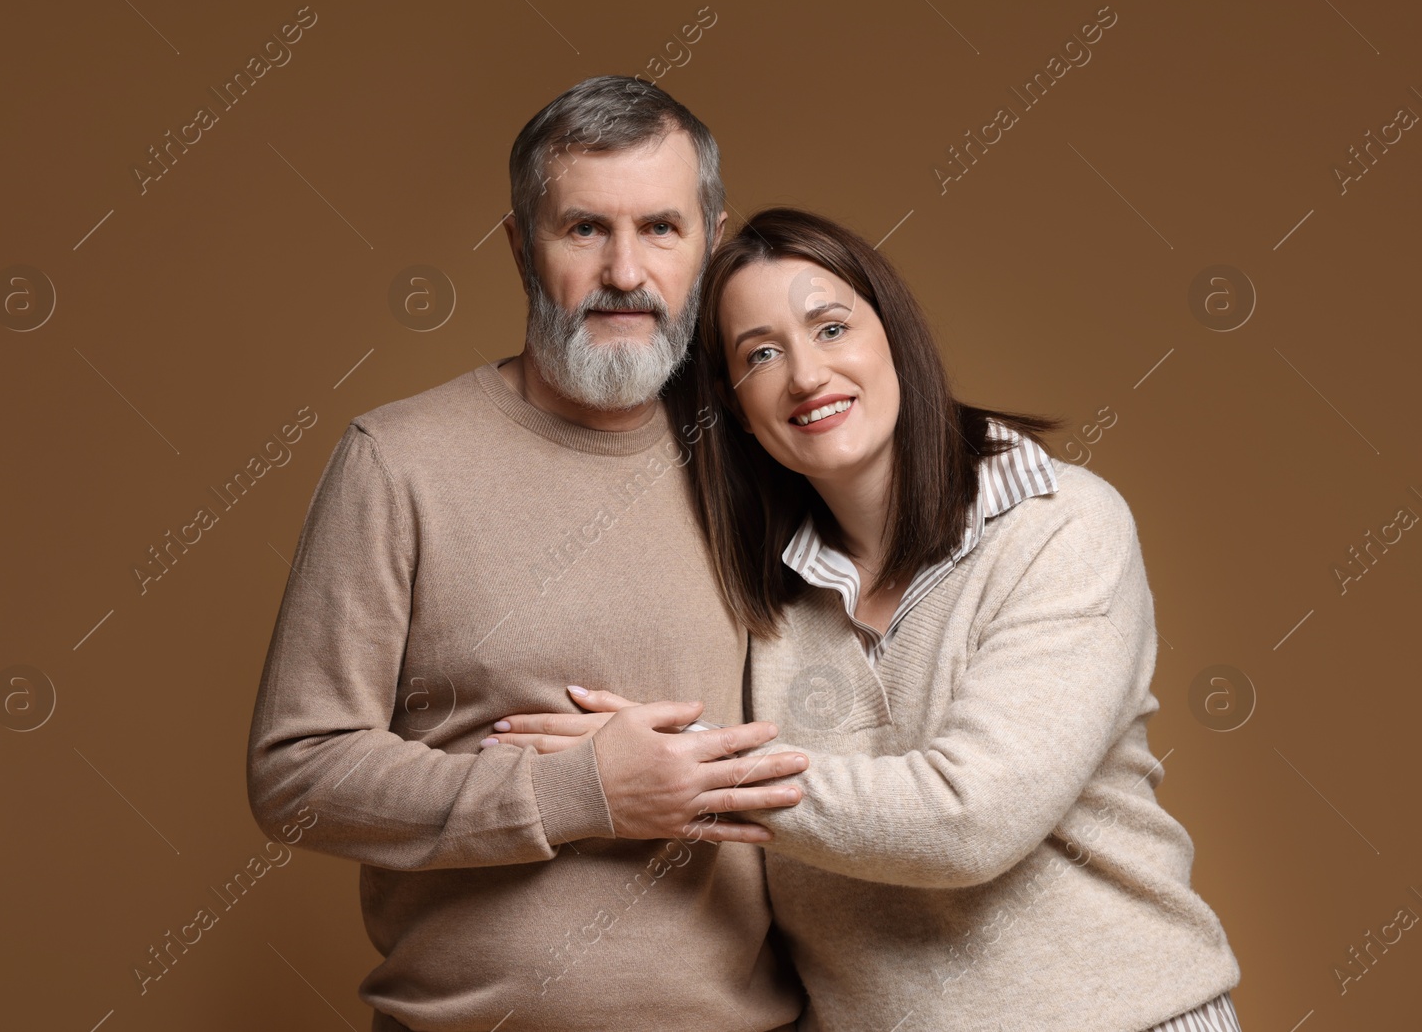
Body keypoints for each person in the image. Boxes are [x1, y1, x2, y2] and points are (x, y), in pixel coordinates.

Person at [488, 208, 1244, 1031]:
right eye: (762, 355)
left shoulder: (1059, 526)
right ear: (736, 408)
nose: (807, 375)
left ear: (894, 337)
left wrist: (689, 773)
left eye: (832, 326)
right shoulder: (758, 595)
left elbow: (970, 818)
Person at [244, 78, 813, 1032]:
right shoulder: (399, 462)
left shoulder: (760, 454)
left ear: (712, 245)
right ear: (519, 245)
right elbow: (297, 779)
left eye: (662, 229)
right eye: (584, 228)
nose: (625, 270)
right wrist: (582, 790)